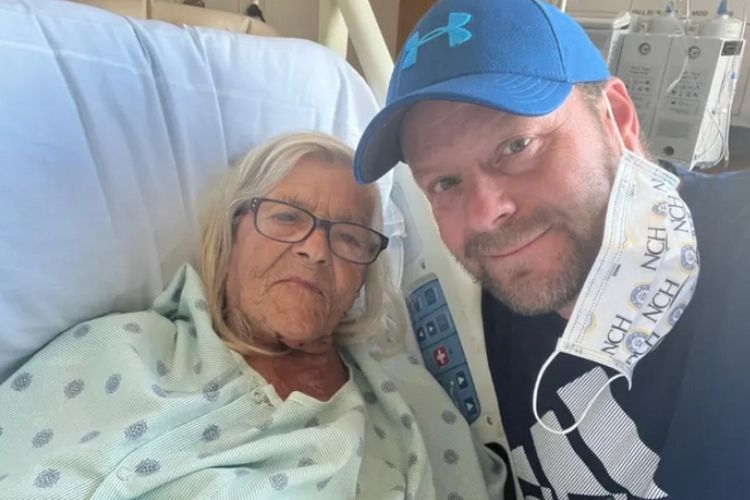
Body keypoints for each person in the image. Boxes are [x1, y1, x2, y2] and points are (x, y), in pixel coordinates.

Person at [353, 1, 750, 499]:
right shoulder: (474, 316)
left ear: (618, 120)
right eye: (445, 182)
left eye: (517, 146)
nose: (483, 214)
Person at [0, 132, 503, 499]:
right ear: (234, 230)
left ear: (361, 276)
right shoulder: (115, 352)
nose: (315, 250)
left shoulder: (408, 405)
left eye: (348, 236)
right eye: (287, 217)